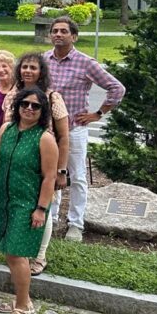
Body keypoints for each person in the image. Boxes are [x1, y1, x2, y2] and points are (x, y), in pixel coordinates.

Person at [43, 15, 125, 242]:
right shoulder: (44, 60)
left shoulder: (85, 62)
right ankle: (51, 218)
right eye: (55, 31)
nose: (58, 34)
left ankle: (75, 224)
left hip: (74, 128)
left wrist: (98, 114)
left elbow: (117, 88)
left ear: (74, 36)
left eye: (63, 31)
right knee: (51, 173)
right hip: (48, 130)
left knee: (77, 176)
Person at [0, 87, 58, 314]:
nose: (29, 108)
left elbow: (49, 177)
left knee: (16, 253)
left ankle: (24, 304)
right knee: (10, 252)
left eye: (35, 106)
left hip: (27, 203)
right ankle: (19, 297)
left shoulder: (45, 138)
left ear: (42, 111)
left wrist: (41, 209)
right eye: (25, 103)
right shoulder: (7, 130)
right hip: (5, 199)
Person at [2, 52, 70, 273]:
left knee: (43, 207)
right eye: (24, 67)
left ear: (42, 71)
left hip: (44, 159)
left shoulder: (52, 97)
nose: (28, 71)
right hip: (17, 161)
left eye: (33, 67)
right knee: (20, 208)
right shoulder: (13, 96)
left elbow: (64, 136)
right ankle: (18, 252)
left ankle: (39, 256)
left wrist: (61, 169)